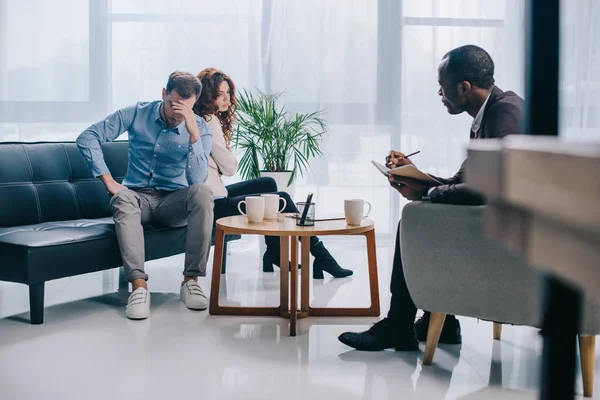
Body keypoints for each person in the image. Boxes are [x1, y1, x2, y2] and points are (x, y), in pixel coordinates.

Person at [338, 45, 525, 351]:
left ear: (463, 87)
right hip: (497, 221)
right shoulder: (492, 113)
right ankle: (444, 323)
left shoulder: (504, 114)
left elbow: (488, 188)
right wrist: (414, 176)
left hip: (508, 234)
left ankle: (399, 325)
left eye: (442, 87)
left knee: (414, 219)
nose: (439, 94)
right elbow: (463, 183)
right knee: (424, 211)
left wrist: (426, 193)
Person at [76, 71, 215, 320]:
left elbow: (197, 181)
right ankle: (139, 288)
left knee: (203, 193)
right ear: (163, 94)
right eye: (174, 106)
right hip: (137, 198)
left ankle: (191, 282)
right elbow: (88, 137)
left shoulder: (199, 127)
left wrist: (193, 136)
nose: (178, 116)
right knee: (122, 198)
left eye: (186, 108)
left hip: (172, 201)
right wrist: (108, 180)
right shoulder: (137, 113)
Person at [194, 67, 352, 279]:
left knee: (268, 184)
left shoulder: (201, 118)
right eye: (219, 94)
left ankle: (274, 252)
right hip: (214, 204)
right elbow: (231, 167)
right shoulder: (209, 120)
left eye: (228, 93)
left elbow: (225, 166)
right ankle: (322, 256)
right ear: (206, 96)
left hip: (214, 194)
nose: (227, 100)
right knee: (282, 199)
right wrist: (224, 158)